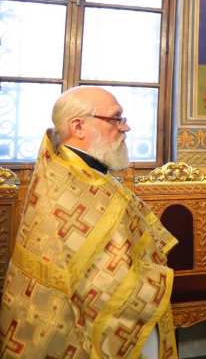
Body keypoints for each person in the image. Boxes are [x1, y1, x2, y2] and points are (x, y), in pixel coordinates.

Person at [0, 87, 178, 358]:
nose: (125, 127)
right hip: (89, 325)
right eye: (116, 119)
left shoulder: (89, 175)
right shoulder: (63, 186)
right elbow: (88, 276)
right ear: (78, 126)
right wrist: (147, 286)